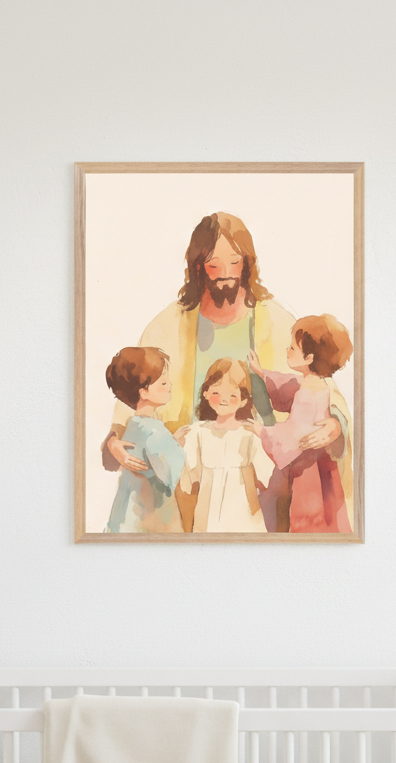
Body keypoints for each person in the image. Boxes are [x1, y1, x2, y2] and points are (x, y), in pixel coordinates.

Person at [102, 212, 349, 531]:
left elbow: (325, 387)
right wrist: (114, 439)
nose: (225, 275)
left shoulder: (275, 320)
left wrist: (334, 424)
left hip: (267, 475)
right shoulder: (170, 324)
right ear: (198, 267)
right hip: (193, 474)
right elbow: (135, 390)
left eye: (234, 263)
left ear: (247, 264)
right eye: (213, 265)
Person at [249, 315, 353, 533]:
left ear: (309, 358)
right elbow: (287, 383)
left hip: (307, 465)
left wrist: (262, 432)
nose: (287, 351)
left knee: (306, 516)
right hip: (319, 461)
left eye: (293, 348)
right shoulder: (314, 382)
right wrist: (262, 372)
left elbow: (293, 432)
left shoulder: (306, 391)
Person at [180, 358, 275, 533]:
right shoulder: (197, 432)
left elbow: (266, 478)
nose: (224, 400)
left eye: (232, 395)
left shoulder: (249, 434)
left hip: (244, 515)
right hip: (207, 518)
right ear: (206, 393)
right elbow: (188, 480)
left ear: (243, 400)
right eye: (217, 393)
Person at [103, 347, 186, 533]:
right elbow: (172, 472)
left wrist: (171, 441)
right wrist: (179, 444)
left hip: (126, 515)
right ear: (144, 392)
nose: (170, 386)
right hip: (150, 520)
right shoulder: (155, 430)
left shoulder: (134, 425)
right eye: (163, 383)